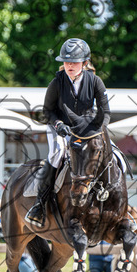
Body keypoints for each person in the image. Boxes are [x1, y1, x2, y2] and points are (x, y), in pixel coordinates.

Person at [25, 38, 111, 228]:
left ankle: (113, 197)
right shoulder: (57, 82)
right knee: (57, 155)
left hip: (87, 130)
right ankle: (40, 204)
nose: (70, 65)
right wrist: (58, 125)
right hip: (59, 128)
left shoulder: (95, 81)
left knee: (110, 151)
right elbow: (47, 111)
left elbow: (105, 112)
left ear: (85, 63)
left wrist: (98, 131)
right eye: (66, 61)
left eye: (74, 62)